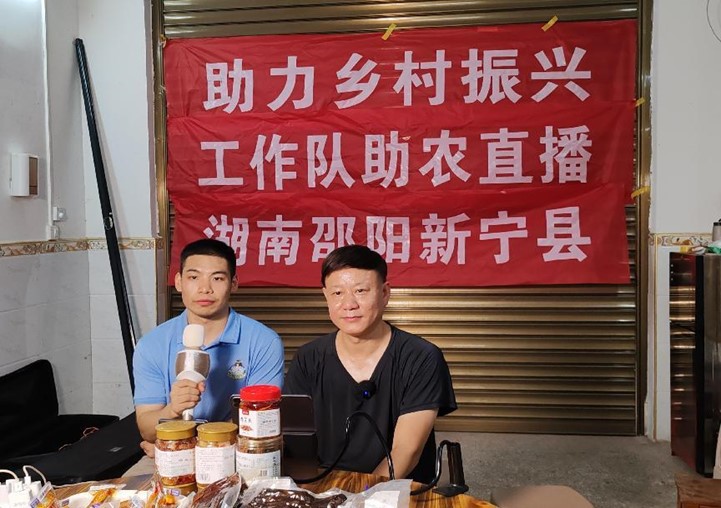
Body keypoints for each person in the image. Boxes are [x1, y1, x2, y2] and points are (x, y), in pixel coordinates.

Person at [283, 245, 456, 483]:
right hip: (324, 486)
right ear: (326, 296)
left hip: (397, 489)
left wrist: (362, 496)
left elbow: (407, 450)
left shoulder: (421, 357)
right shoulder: (308, 358)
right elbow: (296, 440)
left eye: (361, 291)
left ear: (385, 293)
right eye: (337, 293)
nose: (349, 304)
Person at [133, 238, 284, 446]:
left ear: (233, 284)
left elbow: (261, 421)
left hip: (238, 451)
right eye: (194, 277)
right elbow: (147, 429)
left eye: (217, 278)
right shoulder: (151, 345)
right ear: (179, 282)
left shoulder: (264, 342)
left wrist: (188, 445)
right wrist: (173, 409)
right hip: (173, 453)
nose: (205, 288)